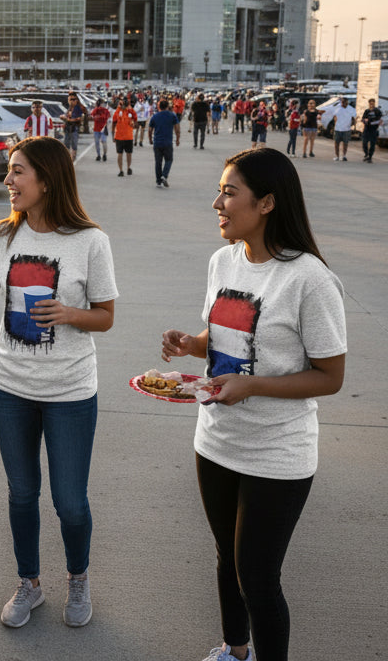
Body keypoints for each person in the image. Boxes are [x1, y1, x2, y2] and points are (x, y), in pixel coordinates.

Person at [159, 147, 347, 661]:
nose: (217, 202)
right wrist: (190, 344)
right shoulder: (223, 260)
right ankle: (234, 651)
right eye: (220, 190)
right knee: (227, 559)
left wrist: (253, 387)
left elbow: (330, 377)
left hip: (277, 452)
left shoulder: (309, 279)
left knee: (258, 577)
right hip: (217, 440)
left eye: (228, 191)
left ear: (266, 203)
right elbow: (224, 338)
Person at [0, 136, 117, 630]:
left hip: (70, 392)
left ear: (47, 179)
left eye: (18, 172)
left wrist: (69, 313)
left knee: (69, 501)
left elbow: (105, 318)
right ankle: (30, 584)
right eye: (9, 171)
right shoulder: (2, 237)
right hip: (10, 387)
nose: (8, 181)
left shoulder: (89, 241)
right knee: (21, 493)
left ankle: (77, 579)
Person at [148, 97, 180, 187]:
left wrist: (150, 139)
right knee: (169, 160)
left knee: (158, 162)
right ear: (167, 106)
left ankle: (158, 181)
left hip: (157, 142)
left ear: (159, 107)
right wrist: (177, 139)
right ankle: (164, 175)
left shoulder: (155, 116)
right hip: (168, 142)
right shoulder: (172, 115)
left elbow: (150, 130)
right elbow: (177, 128)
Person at [112, 97, 137, 177]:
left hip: (128, 136)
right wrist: (113, 134)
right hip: (120, 136)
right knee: (120, 154)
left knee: (128, 153)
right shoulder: (117, 111)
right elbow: (114, 122)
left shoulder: (131, 111)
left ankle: (128, 168)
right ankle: (121, 170)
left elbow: (136, 121)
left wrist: (133, 123)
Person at [62, 92, 85, 161]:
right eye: (70, 99)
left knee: (74, 145)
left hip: (74, 128)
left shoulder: (78, 108)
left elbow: (79, 118)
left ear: (76, 100)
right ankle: (68, 159)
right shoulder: (67, 108)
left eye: (73, 99)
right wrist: (64, 118)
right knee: (66, 144)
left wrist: (69, 120)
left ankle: (72, 160)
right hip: (67, 128)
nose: (72, 101)